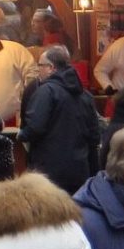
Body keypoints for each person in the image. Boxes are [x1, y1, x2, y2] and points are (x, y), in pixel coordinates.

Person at [19, 44, 101, 193]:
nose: (38, 70)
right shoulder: (85, 95)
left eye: (41, 65)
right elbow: (94, 135)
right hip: (80, 170)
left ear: (51, 68)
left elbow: (35, 127)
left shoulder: (46, 91)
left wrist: (22, 135)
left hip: (49, 172)